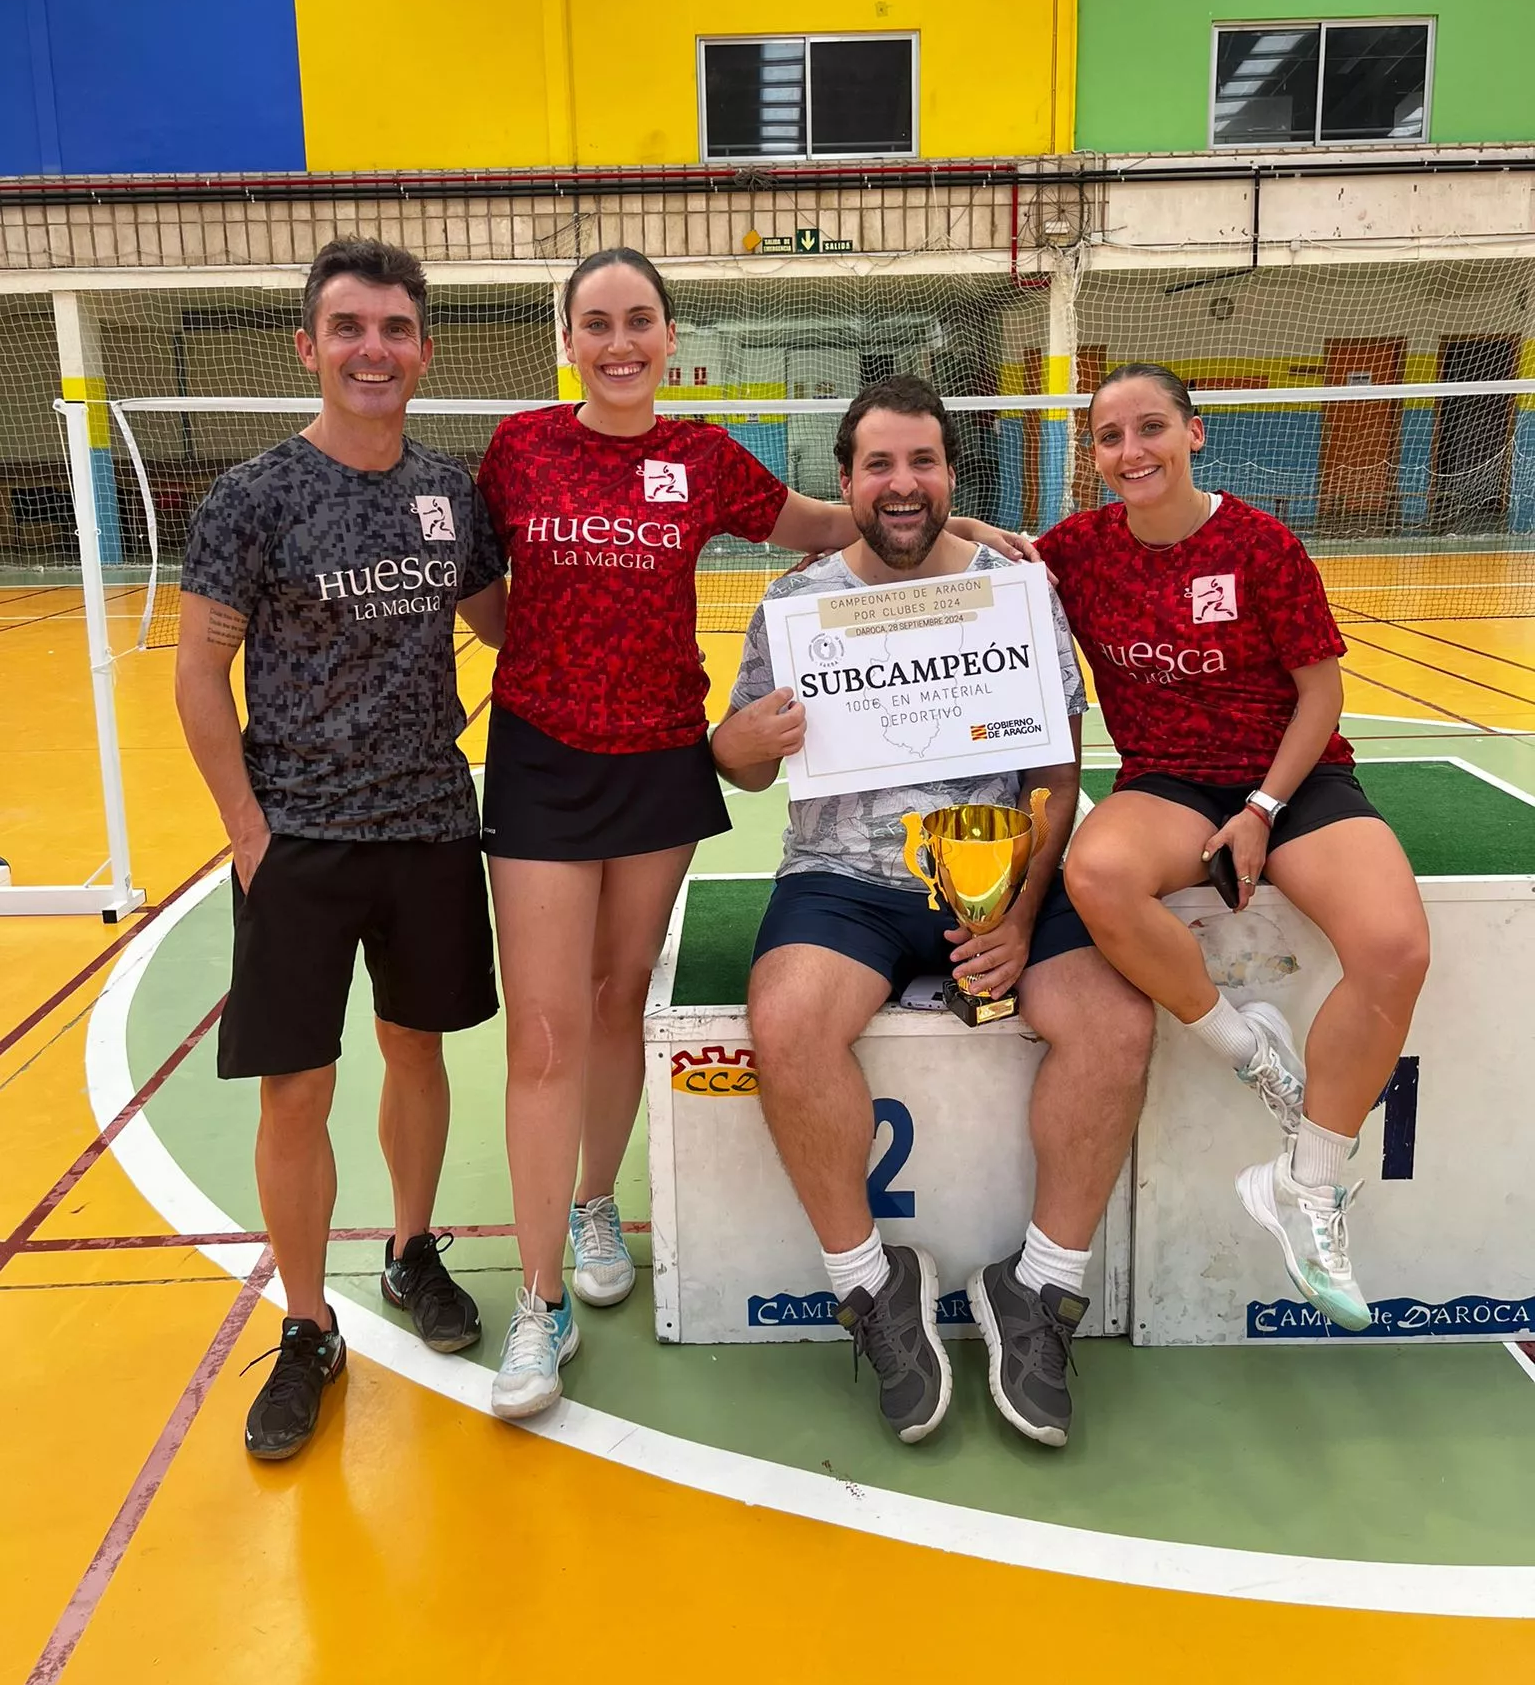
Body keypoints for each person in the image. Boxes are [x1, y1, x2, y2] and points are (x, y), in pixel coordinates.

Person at [474, 252, 1034, 1421]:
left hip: (659, 755)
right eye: (596, 323)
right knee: (543, 1028)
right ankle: (540, 1303)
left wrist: (957, 518)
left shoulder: (705, 455)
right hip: (540, 757)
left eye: (639, 321)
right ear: (567, 338)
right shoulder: (519, 446)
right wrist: (536, 654)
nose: (618, 341)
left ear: (669, 337)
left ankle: (592, 1201)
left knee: (620, 989)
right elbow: (480, 583)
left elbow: (834, 518)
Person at [712, 375, 1154, 1449]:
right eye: (879, 464)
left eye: (922, 463)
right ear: (847, 479)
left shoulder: (1016, 587)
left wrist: (1021, 909)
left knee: (1116, 1021)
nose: (901, 484)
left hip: (999, 868)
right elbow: (736, 761)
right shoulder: (795, 602)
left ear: (953, 475)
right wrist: (749, 742)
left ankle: (1038, 1286)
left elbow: (1058, 758)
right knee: (787, 1022)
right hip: (843, 880)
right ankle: (872, 1285)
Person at [176, 238, 508, 1461]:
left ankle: (413, 1249)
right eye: (350, 327)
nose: (376, 348)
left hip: (428, 823)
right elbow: (198, 671)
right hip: (300, 837)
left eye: (397, 328)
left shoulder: (450, 491)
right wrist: (250, 833)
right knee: (296, 1084)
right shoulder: (252, 495)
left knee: (417, 1052)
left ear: (423, 349)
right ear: (309, 347)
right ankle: (309, 1323)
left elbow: (500, 625)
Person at [1040, 362, 1431, 1332]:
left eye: (1150, 428)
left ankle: (1307, 1181)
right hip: (1169, 777)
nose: (1131, 452)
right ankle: (1250, 1050)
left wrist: (1262, 806)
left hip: (1291, 777)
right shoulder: (1079, 551)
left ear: (1194, 432)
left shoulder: (1261, 544)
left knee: (1395, 948)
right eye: (1109, 437)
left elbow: (1322, 691)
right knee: (1095, 871)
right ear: (1093, 455)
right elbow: (983, 554)